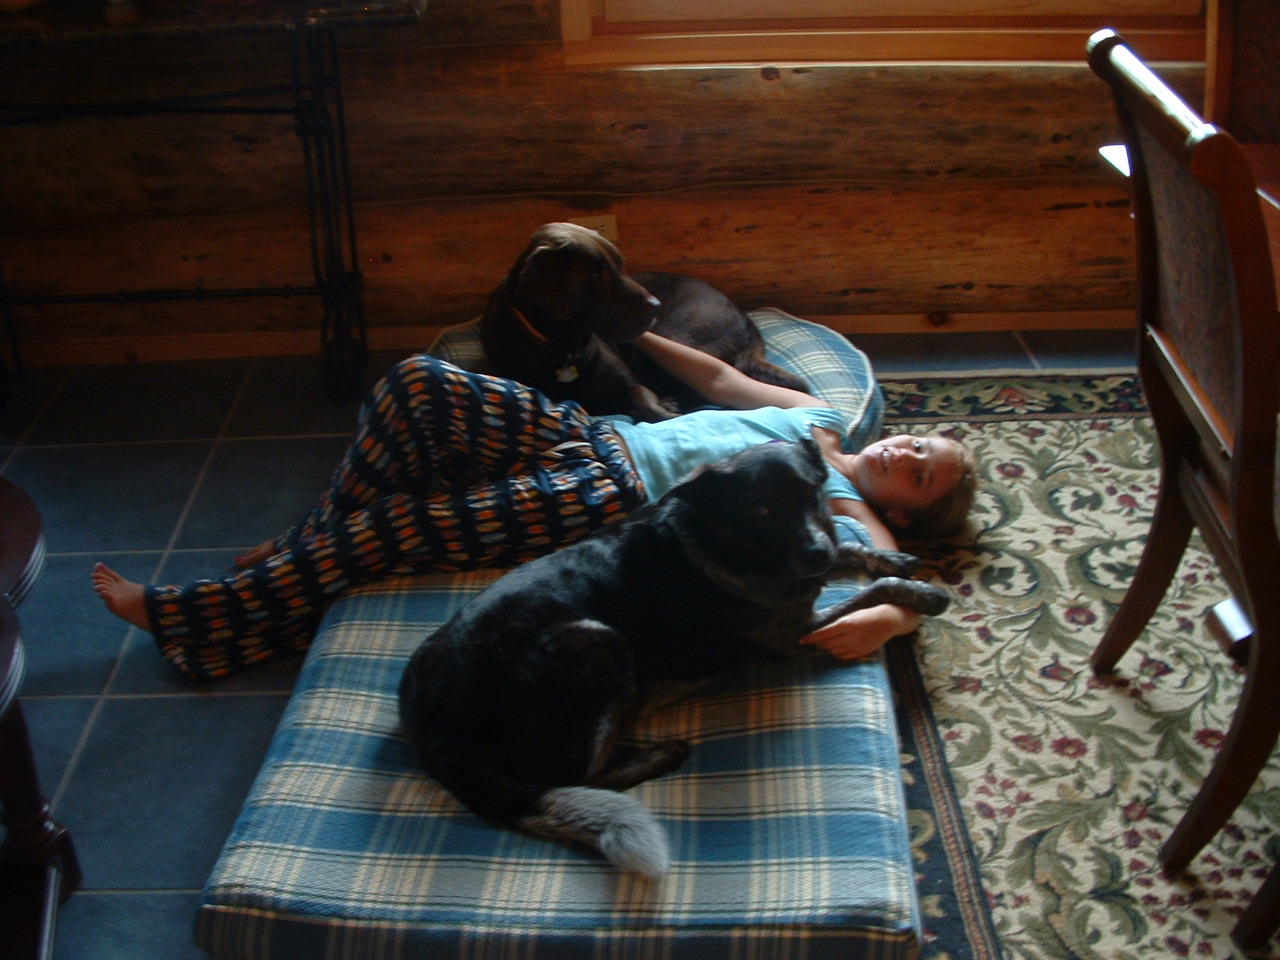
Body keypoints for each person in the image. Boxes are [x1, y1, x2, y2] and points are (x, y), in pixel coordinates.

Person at [93, 332, 976, 680]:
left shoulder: (838, 502)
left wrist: (892, 618)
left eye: (919, 477)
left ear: (902, 510)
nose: (904, 455)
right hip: (593, 433)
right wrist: (623, 325)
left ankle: (198, 617)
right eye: (919, 445)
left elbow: (910, 584)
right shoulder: (819, 412)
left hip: (607, 499)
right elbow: (716, 378)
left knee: (403, 528)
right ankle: (302, 554)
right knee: (416, 385)